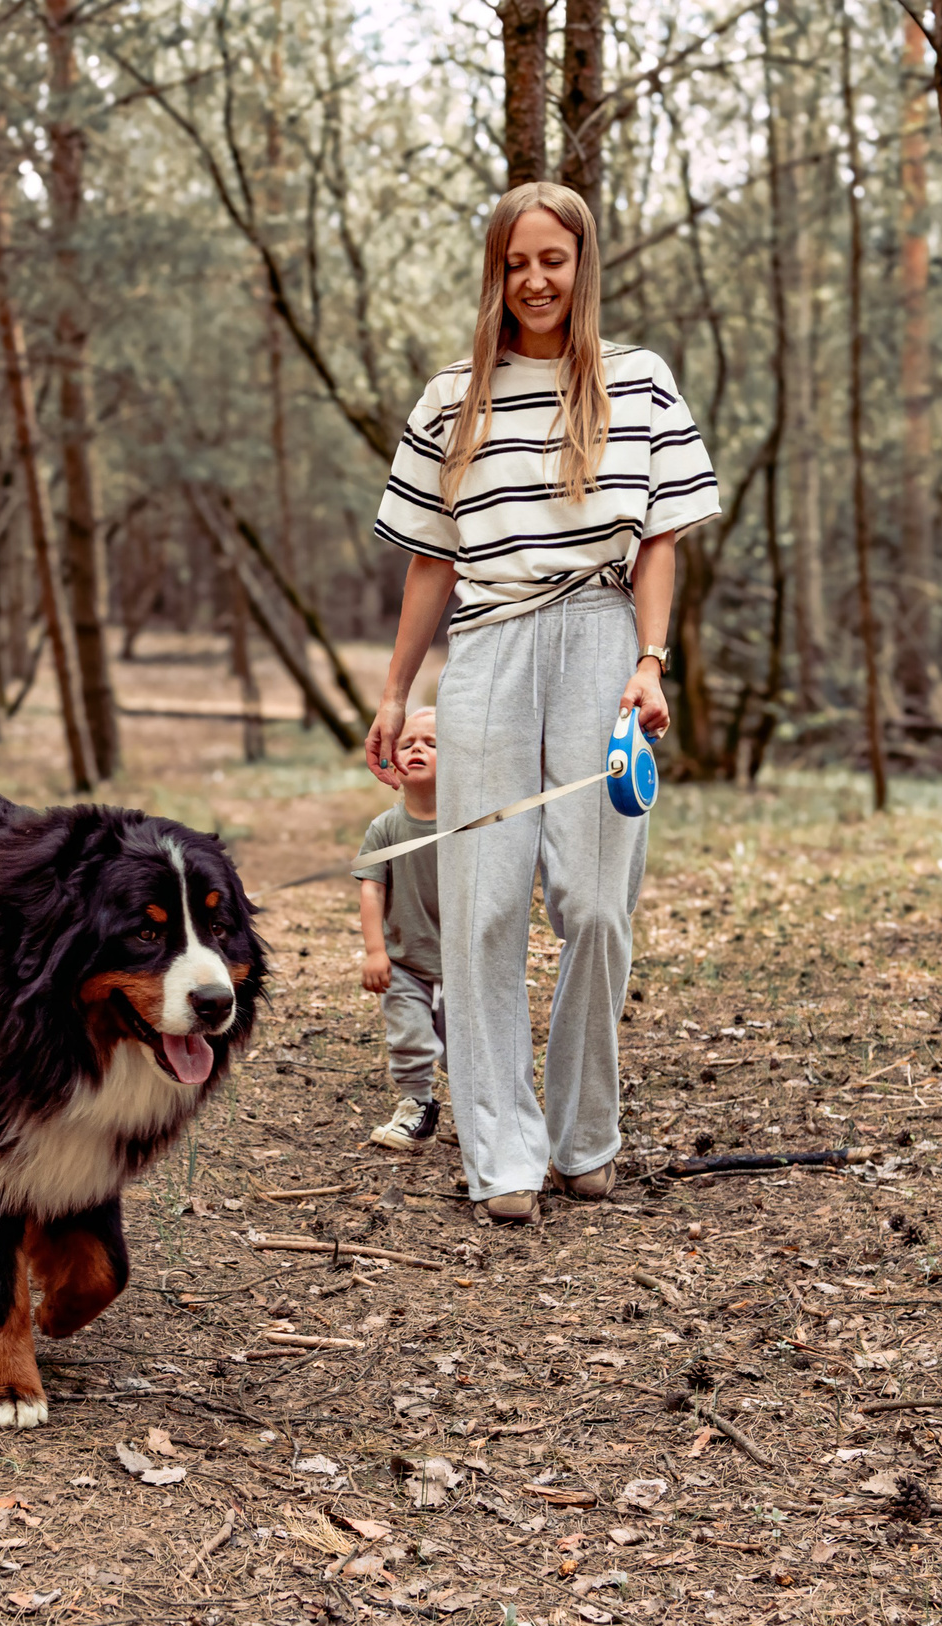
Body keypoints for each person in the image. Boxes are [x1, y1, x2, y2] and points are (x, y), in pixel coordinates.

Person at [362, 182, 720, 1223]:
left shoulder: (637, 382)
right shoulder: (450, 400)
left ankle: (582, 1134)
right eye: (515, 262)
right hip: (484, 649)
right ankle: (504, 1154)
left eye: (552, 259)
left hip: (601, 639)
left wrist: (650, 662)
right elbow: (430, 561)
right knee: (481, 909)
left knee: (596, 908)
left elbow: (658, 537)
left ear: (581, 264)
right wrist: (396, 691)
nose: (534, 280)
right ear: (496, 272)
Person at [357, 707, 448, 1150]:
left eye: (433, 744)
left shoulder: (470, 822)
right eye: (409, 743)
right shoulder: (385, 828)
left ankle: (480, 1112)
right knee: (408, 1037)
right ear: (392, 756)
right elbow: (371, 891)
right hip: (404, 962)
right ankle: (417, 1105)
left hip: (461, 964)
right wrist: (376, 952)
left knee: (466, 1049)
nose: (418, 750)